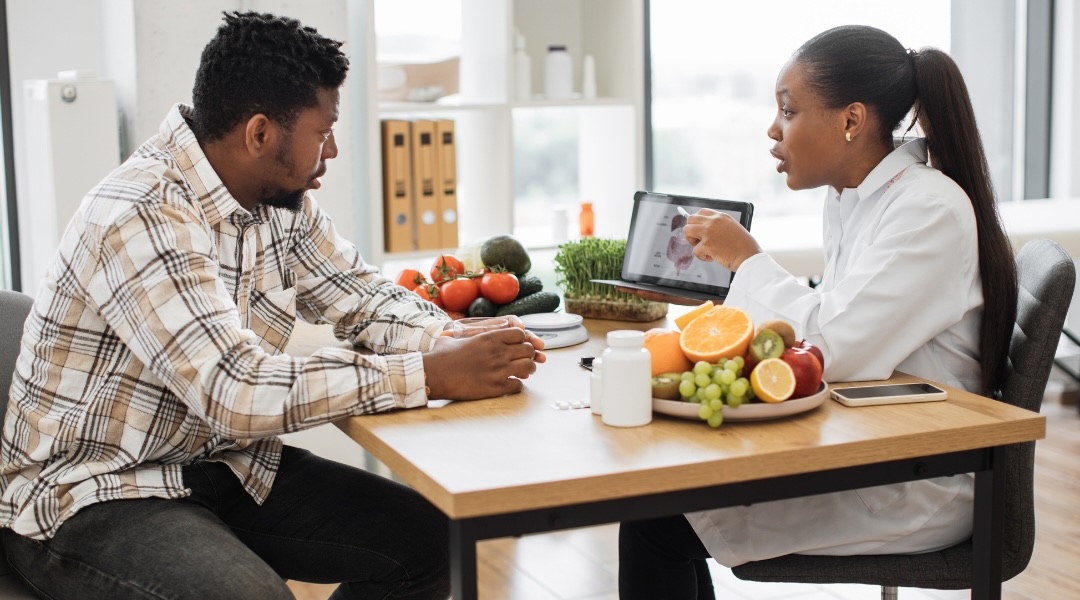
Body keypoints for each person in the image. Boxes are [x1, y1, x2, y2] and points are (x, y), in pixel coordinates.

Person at [0, 11, 544, 600]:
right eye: (323, 129)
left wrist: (445, 339)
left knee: (430, 540)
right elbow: (234, 390)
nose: (332, 149)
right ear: (260, 134)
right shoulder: (142, 213)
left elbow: (359, 295)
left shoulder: (277, 202)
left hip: (214, 462)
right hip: (91, 491)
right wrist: (427, 372)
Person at [618, 25, 1017, 599]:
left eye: (788, 110)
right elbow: (831, 319)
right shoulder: (852, 198)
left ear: (851, 121)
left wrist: (747, 260)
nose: (773, 130)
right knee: (659, 498)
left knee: (657, 517)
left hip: (915, 475)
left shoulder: (928, 209)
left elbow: (833, 347)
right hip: (869, 437)